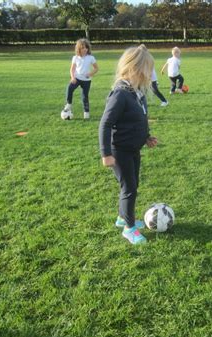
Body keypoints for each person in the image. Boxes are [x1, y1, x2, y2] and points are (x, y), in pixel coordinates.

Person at [99, 45, 158, 245]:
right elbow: (105, 124)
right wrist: (106, 154)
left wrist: (147, 136)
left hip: (133, 149)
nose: (151, 73)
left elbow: (140, 118)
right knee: (130, 188)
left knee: (131, 185)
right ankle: (128, 228)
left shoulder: (136, 92)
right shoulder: (120, 94)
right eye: (148, 69)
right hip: (119, 151)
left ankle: (122, 217)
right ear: (136, 68)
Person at [61, 38, 99, 120]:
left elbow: (96, 68)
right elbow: (72, 69)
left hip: (86, 80)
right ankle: (69, 104)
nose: (85, 49)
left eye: (86, 48)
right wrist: (73, 77)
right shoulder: (75, 58)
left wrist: (90, 73)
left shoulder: (91, 58)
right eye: (82, 48)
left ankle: (86, 113)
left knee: (85, 97)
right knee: (69, 88)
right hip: (77, 78)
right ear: (78, 49)